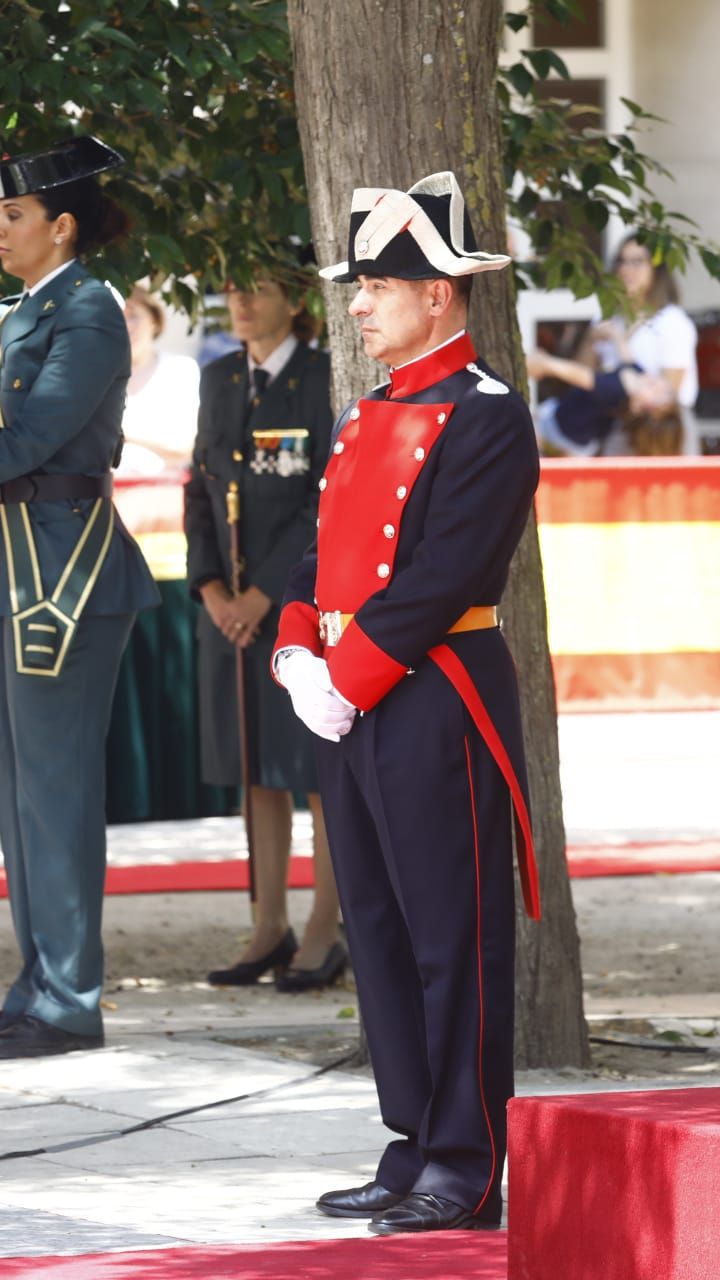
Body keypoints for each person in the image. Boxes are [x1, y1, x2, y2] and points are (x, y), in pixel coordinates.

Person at [275, 171, 540, 1234]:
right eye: (360, 283)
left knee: (451, 934)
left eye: (380, 282)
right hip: (354, 697)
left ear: (440, 293)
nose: (360, 301)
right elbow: (318, 552)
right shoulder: (363, 413)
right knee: (379, 928)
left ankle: (468, 1160)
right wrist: (300, 652)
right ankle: (414, 1137)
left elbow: (439, 577)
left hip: (433, 698)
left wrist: (346, 674)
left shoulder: (488, 416)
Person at [0, 136, 159, 1060]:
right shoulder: (19, 309)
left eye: (11, 214)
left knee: (55, 791)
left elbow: (31, 437)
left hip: (63, 568)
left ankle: (71, 996)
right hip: (6, 562)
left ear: (60, 226)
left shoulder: (89, 311)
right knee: (16, 793)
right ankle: (40, 979)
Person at [184, 271, 344, 992]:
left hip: (297, 611)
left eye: (257, 289)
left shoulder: (319, 376)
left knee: (312, 771)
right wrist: (213, 588)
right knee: (253, 769)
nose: (240, 303)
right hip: (232, 614)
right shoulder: (219, 376)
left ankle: (325, 928)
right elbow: (201, 488)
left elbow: (325, 502)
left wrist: (264, 595)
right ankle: (267, 924)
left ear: (297, 300)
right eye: (231, 289)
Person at [528, 235, 698, 456]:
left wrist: (548, 365)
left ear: (657, 269)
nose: (627, 270)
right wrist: (591, 340)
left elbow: (669, 395)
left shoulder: (672, 321)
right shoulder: (608, 315)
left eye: (638, 261)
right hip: (615, 428)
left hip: (662, 433)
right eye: (621, 261)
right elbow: (584, 375)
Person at [116, 285, 200, 475]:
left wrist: (122, 434)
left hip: (165, 491)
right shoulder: (96, 376)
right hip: (107, 495)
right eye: (118, 318)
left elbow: (186, 446)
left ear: (154, 319)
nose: (127, 326)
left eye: (133, 316)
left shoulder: (180, 370)